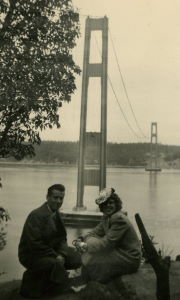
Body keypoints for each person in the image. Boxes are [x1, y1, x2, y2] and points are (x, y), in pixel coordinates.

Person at [18, 184, 81, 298]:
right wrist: (56, 256)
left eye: (61, 198)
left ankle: (53, 279)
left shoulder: (56, 213)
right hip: (32, 255)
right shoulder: (36, 215)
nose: (58, 201)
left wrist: (62, 253)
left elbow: (62, 238)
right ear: (47, 197)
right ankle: (32, 279)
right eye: (55, 197)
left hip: (51, 251)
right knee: (53, 263)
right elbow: (34, 244)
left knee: (76, 257)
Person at [75, 188, 141, 283]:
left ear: (116, 204)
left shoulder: (119, 218)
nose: (108, 206)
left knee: (96, 257)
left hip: (129, 258)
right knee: (94, 254)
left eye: (111, 203)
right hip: (120, 253)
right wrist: (81, 238)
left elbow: (105, 244)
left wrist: (85, 245)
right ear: (102, 206)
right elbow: (95, 232)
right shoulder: (107, 217)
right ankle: (87, 282)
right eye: (105, 204)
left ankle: (89, 284)